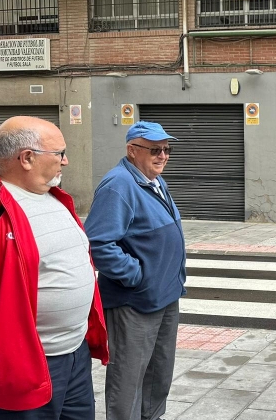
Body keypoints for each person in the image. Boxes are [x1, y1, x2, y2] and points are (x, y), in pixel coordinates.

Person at [0, 116, 109, 418]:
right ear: (27, 158)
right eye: (59, 153)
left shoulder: (57, 198)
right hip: (23, 365)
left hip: (75, 355)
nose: (65, 162)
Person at [84, 121, 186, 420]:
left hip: (165, 296)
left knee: (159, 371)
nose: (163, 155)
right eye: (155, 149)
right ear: (132, 151)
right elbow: (97, 242)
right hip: (134, 302)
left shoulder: (153, 180)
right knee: (128, 378)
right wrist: (136, 277)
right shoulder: (118, 185)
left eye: (167, 149)